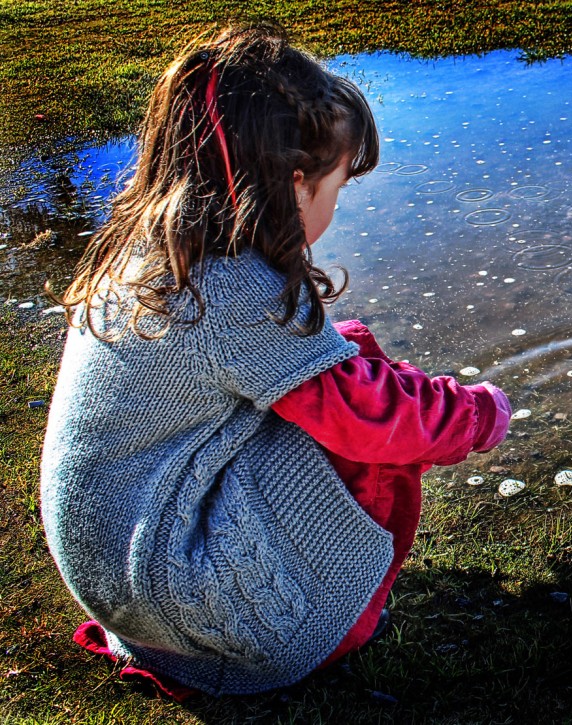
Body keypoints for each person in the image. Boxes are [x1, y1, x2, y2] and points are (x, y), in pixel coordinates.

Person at [40, 23, 510, 699]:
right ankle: (340, 618)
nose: (335, 209)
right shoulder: (233, 288)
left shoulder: (155, 244)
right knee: (358, 418)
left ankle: (203, 618)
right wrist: (474, 414)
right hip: (173, 588)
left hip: (114, 566)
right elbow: (370, 413)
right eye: (336, 190)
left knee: (334, 360)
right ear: (294, 187)